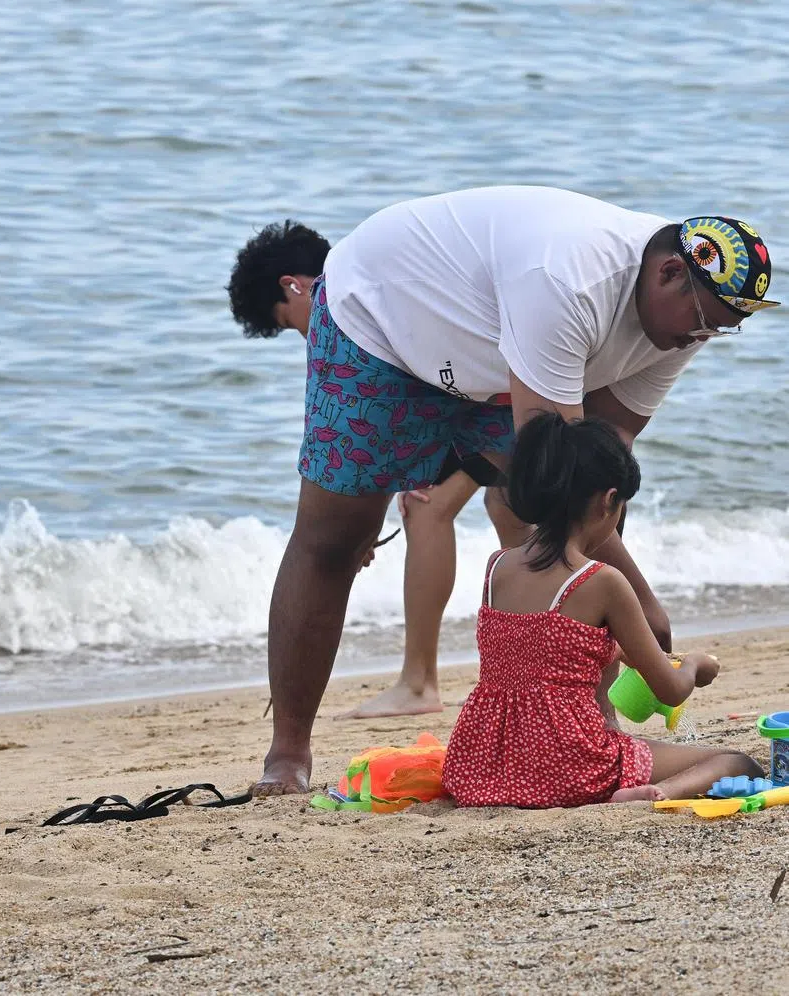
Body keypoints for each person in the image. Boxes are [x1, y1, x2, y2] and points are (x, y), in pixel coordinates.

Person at [233, 188, 778, 794]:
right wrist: (642, 607)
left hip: (492, 361)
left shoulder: (683, 324)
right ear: (669, 271)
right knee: (335, 537)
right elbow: (565, 476)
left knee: (560, 528)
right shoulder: (568, 278)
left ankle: (592, 728)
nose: (702, 338)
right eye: (705, 322)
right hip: (380, 328)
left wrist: (625, 607)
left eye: (722, 331)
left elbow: (602, 471)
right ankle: (287, 756)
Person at [227, 220, 527, 718]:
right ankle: (539, 665)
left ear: (293, 285)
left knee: (426, 507)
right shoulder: (375, 278)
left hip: (494, 392)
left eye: (289, 323)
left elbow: (395, 400)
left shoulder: (345, 303)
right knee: (504, 507)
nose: (305, 334)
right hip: (498, 380)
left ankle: (420, 682)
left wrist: (388, 498)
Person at [442, 413, 762, 806]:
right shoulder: (602, 580)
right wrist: (696, 665)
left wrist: (617, 651)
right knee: (739, 763)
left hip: (481, 764)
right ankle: (656, 793)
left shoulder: (497, 566)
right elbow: (670, 690)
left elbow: (540, 653)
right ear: (610, 501)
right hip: (567, 764)